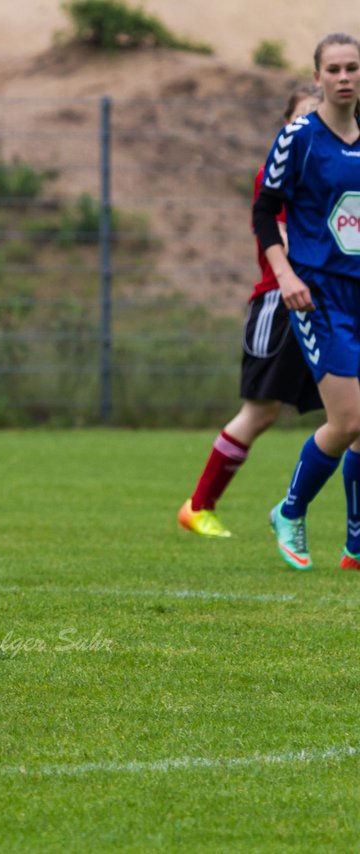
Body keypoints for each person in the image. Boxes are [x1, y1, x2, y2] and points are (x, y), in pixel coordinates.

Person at [178, 86, 322, 538]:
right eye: (301, 119)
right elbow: (282, 237)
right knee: (260, 413)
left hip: (332, 306)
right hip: (279, 306)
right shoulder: (276, 174)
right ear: (286, 127)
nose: (310, 129)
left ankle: (350, 537)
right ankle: (198, 507)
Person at [261, 33, 360, 570]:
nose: (345, 77)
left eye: (353, 68)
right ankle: (290, 511)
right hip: (320, 294)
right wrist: (285, 274)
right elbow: (263, 210)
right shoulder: (298, 137)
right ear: (318, 76)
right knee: (347, 421)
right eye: (335, 69)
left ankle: (356, 541)